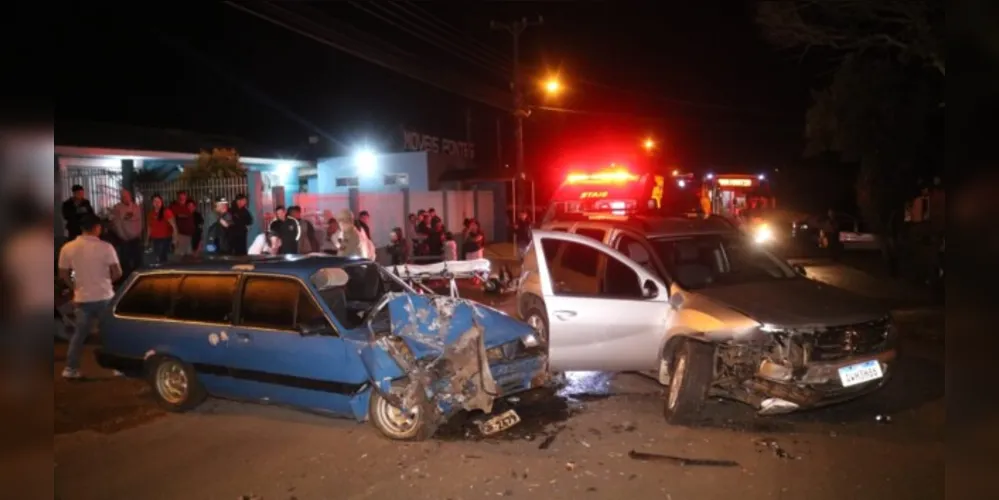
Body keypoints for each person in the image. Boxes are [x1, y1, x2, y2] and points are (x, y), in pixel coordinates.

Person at [57, 214, 122, 379]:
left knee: (79, 334)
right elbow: (118, 272)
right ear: (96, 228)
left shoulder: (68, 247)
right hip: (104, 295)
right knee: (110, 332)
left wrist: (74, 287)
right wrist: (108, 281)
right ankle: (117, 367)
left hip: (82, 297)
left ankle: (70, 368)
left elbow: (63, 273)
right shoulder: (106, 247)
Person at [110, 189, 143, 277]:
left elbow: (140, 221)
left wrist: (139, 233)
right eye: (123, 196)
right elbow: (116, 224)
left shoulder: (136, 207)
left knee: (138, 260)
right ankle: (126, 280)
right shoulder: (117, 208)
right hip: (124, 239)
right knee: (125, 261)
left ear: (130, 196)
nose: (126, 198)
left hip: (136, 239)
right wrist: (123, 236)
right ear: (121, 198)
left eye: (127, 196)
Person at [145, 194, 177, 264]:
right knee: (157, 257)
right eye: (154, 201)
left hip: (165, 239)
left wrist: (174, 240)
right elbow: (149, 228)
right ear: (152, 203)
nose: (156, 203)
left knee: (163, 258)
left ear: (161, 202)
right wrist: (147, 240)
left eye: (158, 201)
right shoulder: (150, 214)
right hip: (155, 239)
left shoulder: (166, 212)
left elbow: (174, 226)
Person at [169, 191, 196, 258]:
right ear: (178, 197)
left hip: (189, 235)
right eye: (181, 196)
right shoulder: (175, 207)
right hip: (181, 235)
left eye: (184, 196)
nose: (182, 198)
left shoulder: (187, 206)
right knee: (179, 255)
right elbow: (173, 218)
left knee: (188, 256)